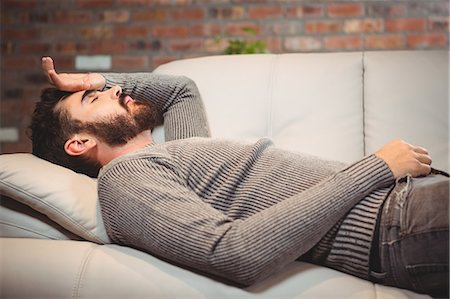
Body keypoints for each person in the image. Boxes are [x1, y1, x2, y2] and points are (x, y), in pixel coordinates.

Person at [30, 57, 448, 297]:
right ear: (79, 143)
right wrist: (376, 167)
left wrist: (95, 79)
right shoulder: (124, 181)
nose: (117, 91)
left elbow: (180, 90)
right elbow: (234, 253)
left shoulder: (173, 154)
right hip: (396, 224)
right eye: (94, 99)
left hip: (411, 208)